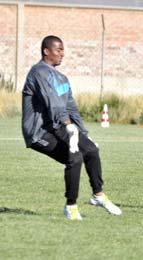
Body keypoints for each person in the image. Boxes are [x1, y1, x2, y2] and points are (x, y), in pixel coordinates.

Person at [22, 35, 122, 220]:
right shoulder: (38, 72)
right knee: (74, 157)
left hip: (58, 126)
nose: (63, 54)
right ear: (46, 51)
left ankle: (98, 195)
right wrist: (68, 126)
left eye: (63, 50)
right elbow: (53, 103)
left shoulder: (62, 78)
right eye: (59, 50)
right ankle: (71, 207)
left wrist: (83, 133)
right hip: (39, 132)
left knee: (91, 150)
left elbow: (70, 107)